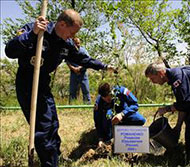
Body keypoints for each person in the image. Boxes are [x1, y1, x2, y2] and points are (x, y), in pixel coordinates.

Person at [5, 9, 115, 167]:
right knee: (43, 127)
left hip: (43, 83)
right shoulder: (36, 29)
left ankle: (54, 158)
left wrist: (103, 66)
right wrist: (33, 34)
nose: (73, 36)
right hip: (28, 83)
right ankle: (50, 163)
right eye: (72, 32)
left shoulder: (66, 43)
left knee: (53, 124)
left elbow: (82, 59)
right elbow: (9, 51)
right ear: (62, 24)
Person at [94, 83, 146, 147]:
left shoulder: (122, 91)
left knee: (141, 120)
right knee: (107, 116)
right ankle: (109, 138)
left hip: (124, 114)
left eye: (110, 97)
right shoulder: (99, 102)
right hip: (109, 120)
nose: (108, 100)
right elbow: (98, 121)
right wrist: (100, 139)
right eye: (106, 99)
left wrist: (122, 114)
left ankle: (123, 131)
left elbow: (135, 105)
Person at [67, 37, 91, 104]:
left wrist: (80, 68)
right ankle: (72, 105)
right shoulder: (70, 51)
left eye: (79, 43)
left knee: (85, 90)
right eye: (76, 43)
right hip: (73, 73)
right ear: (73, 43)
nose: (78, 44)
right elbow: (67, 62)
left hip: (83, 73)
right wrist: (73, 68)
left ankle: (87, 105)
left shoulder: (83, 51)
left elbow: (88, 61)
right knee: (72, 90)